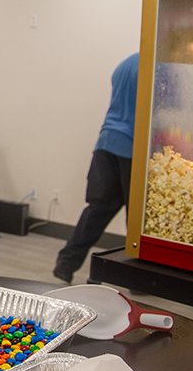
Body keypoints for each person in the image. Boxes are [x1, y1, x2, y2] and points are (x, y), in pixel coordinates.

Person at [53, 52, 140, 284]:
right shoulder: (156, 69)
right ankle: (137, 280)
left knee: (97, 210)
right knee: (138, 222)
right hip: (135, 152)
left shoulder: (125, 65)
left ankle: (66, 263)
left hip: (106, 144)